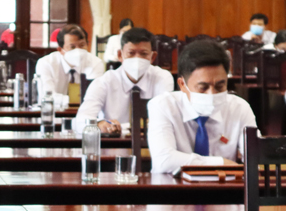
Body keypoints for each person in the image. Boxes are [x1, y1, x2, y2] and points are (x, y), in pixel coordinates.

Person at [147, 40, 256, 173]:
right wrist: (220, 162)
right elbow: (163, 161)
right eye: (203, 88)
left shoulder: (239, 108)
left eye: (220, 86)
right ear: (182, 84)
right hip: (173, 189)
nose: (212, 94)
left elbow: (255, 156)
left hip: (226, 188)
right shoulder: (163, 106)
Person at [76, 27, 173, 134]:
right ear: (120, 55)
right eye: (131, 53)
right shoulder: (104, 82)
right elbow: (80, 122)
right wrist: (99, 125)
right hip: (113, 146)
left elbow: (167, 120)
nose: (137, 59)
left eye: (143, 54)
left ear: (152, 57)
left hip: (150, 144)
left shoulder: (162, 78)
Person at [35, 24, 106, 103]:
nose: (78, 51)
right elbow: (48, 97)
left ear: (87, 44)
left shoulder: (95, 63)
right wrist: (77, 100)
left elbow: (96, 96)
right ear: (60, 50)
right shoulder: (46, 64)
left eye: (82, 45)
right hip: (54, 112)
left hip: (85, 112)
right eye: (72, 47)